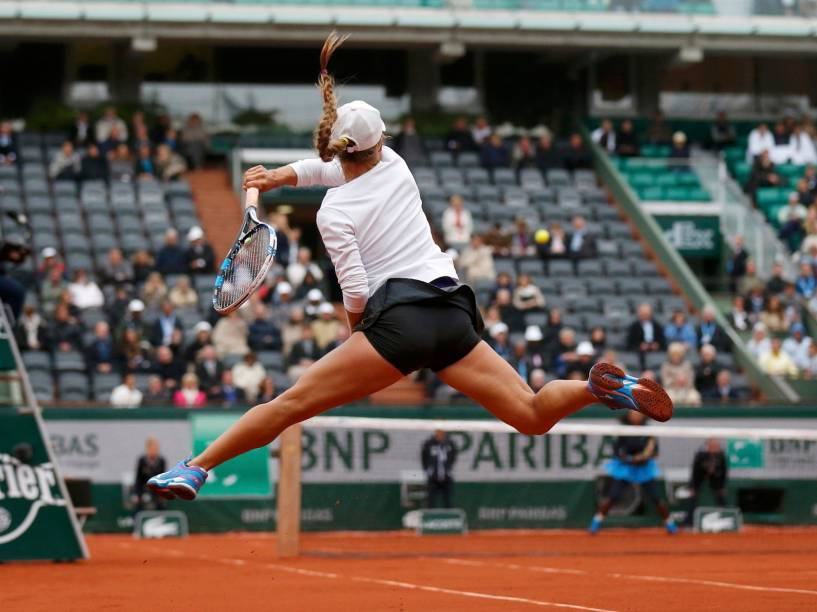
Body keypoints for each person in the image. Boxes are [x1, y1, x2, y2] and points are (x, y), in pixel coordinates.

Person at [147, 33, 673, 501]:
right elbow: (328, 167)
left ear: (341, 149)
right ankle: (601, 389)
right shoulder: (396, 165)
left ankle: (196, 468)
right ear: (380, 145)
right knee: (533, 415)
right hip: (453, 312)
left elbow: (354, 292)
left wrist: (362, 342)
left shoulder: (334, 212)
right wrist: (281, 178)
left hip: (398, 321)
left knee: (290, 405)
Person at [590, 410, 678, 535]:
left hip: (644, 469)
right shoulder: (623, 431)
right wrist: (630, 459)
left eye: (638, 414)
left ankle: (669, 522)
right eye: (633, 414)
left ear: (643, 416)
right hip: (625, 468)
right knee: (612, 496)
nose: (636, 416)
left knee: (657, 499)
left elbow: (654, 452)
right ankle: (597, 520)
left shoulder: (649, 433)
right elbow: (617, 452)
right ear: (628, 416)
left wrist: (643, 458)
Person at [683, 438, 728, 526]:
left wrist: (722, 486)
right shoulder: (701, 455)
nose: (715, 448)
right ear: (708, 446)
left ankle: (725, 518)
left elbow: (724, 471)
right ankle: (688, 523)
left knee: (720, 497)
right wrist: (692, 486)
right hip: (699, 476)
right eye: (713, 446)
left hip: (715, 478)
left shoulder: (721, 455)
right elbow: (695, 471)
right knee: (692, 498)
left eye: (716, 446)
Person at [421, 429, 458, 509]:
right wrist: (428, 469)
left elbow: (453, 457)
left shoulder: (450, 443)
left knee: (448, 501)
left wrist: (448, 468)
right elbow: (424, 457)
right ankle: (430, 519)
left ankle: (449, 520)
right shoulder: (429, 443)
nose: (440, 433)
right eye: (438, 430)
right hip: (433, 477)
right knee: (431, 501)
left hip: (446, 477)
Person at [133, 438, 167, 513]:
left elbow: (163, 478)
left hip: (157, 490)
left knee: (162, 506)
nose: (154, 450)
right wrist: (138, 495)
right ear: (148, 449)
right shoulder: (141, 460)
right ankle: (138, 522)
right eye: (152, 448)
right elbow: (138, 479)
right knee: (138, 507)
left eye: (156, 448)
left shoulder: (162, 461)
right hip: (143, 489)